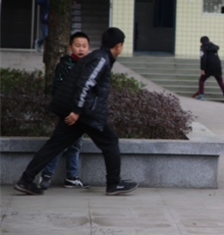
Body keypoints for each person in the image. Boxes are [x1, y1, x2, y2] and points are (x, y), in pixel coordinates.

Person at [14, 27, 139, 196]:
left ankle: (25, 180)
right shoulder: (101, 59)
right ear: (119, 46)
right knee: (110, 142)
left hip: (79, 113)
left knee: (54, 145)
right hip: (85, 113)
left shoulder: (98, 56)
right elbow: (85, 85)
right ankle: (113, 184)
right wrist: (77, 111)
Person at [38, 32, 91, 190]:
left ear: (88, 48)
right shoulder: (65, 65)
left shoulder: (89, 66)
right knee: (60, 144)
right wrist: (70, 112)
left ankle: (71, 177)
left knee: (75, 145)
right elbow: (58, 90)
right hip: (68, 113)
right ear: (70, 47)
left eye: (84, 46)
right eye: (77, 45)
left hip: (80, 114)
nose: (81, 49)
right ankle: (46, 175)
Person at [194, 36, 224, 103]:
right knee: (220, 81)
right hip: (217, 65)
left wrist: (202, 69)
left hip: (209, 66)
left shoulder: (203, 47)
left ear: (201, 42)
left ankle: (201, 96)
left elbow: (203, 58)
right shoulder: (214, 46)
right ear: (209, 40)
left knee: (202, 80)